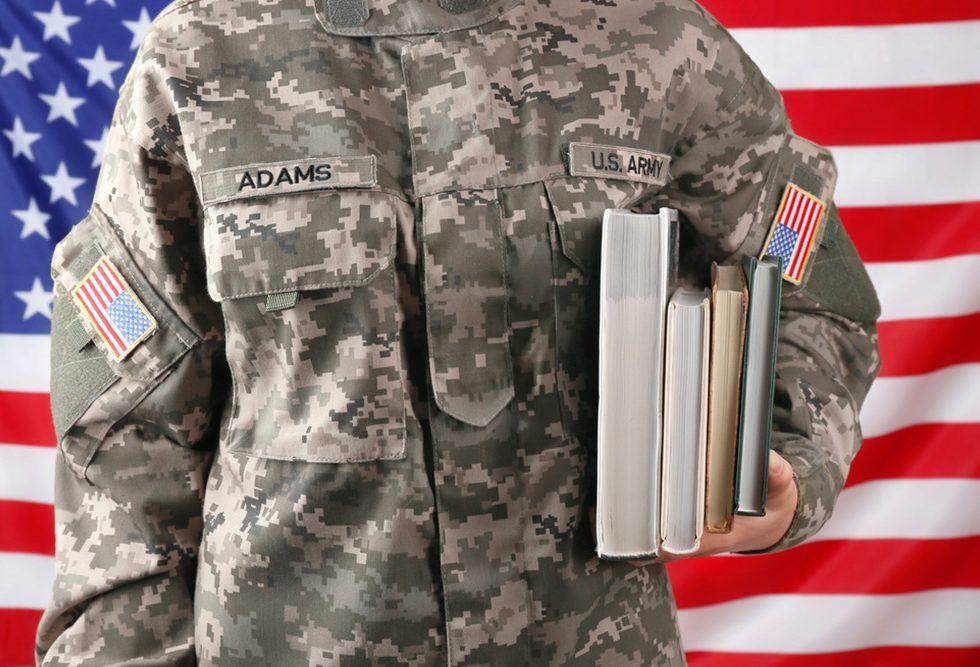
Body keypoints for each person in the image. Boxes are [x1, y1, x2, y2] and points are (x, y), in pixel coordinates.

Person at [35, 0, 881, 664]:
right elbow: (126, 413)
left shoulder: (659, 43)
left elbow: (804, 271)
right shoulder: (202, 56)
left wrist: (782, 451)